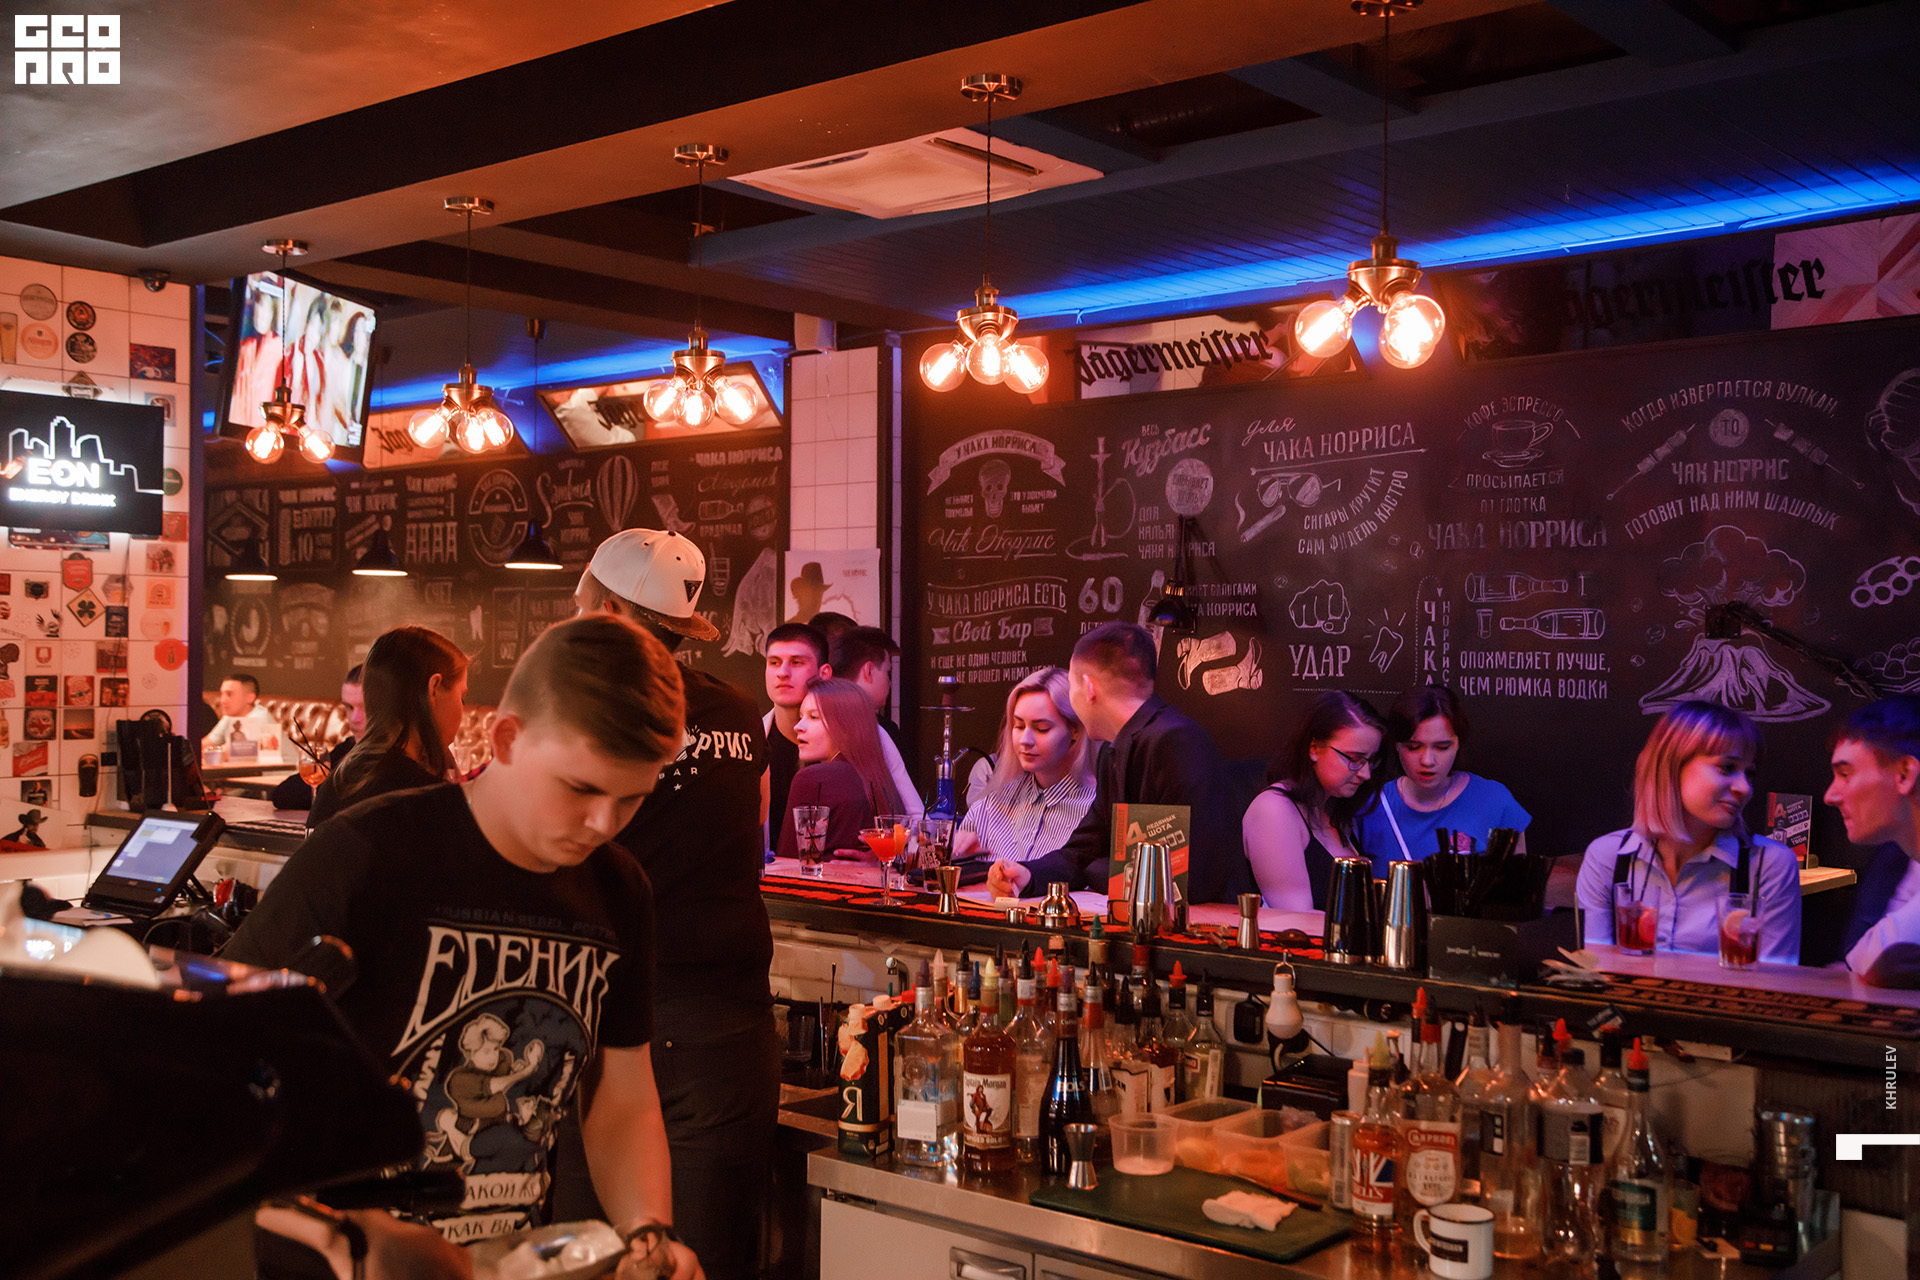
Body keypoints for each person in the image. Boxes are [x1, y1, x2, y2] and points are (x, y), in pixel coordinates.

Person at [225, 614, 703, 1279]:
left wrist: (648, 1232)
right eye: (581, 788)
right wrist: (346, 1235)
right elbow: (201, 1075)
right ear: (505, 738)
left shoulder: (619, 890)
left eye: (631, 800)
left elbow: (620, 1093)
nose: (603, 823)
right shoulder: (367, 854)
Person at [575, 529, 775, 1280]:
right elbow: (754, 836)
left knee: (595, 1258)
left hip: (617, 1013)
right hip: (729, 1022)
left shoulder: (594, 710)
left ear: (608, 611)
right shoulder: (740, 711)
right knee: (705, 1257)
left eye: (581, 601)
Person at [987, 622, 1253, 905]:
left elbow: (1189, 876)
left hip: (1209, 925)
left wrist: (1100, 871)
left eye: (1073, 687)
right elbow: (1083, 853)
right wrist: (1028, 875)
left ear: (1088, 688)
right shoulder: (1112, 753)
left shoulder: (1176, 741)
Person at [1576, 700, 1801, 964]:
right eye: (1727, 768)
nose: (1745, 788)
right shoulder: (1607, 857)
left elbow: (1776, 981)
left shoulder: (1769, 865)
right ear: (1671, 766)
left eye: (1749, 774)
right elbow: (1594, 970)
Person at [762, 626, 918, 850]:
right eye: (774, 662)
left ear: (824, 673)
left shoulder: (870, 734)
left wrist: (882, 853)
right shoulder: (752, 737)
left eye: (797, 662)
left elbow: (915, 820)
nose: (783, 673)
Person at [1356, 685, 1530, 876]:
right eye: (1413, 747)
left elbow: (1518, 886)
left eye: (1442, 747)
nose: (1427, 761)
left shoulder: (1495, 802)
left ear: (1458, 744)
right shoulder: (1371, 807)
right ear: (1397, 745)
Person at [307, 630, 466, 828]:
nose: (462, 708)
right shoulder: (427, 797)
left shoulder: (337, 782)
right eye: (461, 696)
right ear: (434, 688)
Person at [1242, 692, 1387, 910]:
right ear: (1314, 748)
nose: (1365, 773)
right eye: (1354, 759)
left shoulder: (1333, 809)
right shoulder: (1274, 809)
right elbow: (1294, 917)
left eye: (1370, 760)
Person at [953, 667, 1096, 865]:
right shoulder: (990, 806)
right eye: (1019, 726)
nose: (1025, 740)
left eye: (1042, 729)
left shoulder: (1093, 810)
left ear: (1075, 731)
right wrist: (961, 859)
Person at [1829, 696, 1920, 986]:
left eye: (1845, 774)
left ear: (1904, 774)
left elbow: (1873, 963)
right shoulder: (1907, 862)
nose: (1830, 795)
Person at [776, 677, 904, 859]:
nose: (798, 727)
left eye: (813, 717)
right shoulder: (879, 778)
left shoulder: (811, 779)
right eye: (801, 717)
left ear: (846, 728)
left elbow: (787, 863)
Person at [270, 665, 364, 811]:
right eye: (349, 707)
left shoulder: (398, 757)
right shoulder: (350, 747)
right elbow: (283, 795)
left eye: (365, 707)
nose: (354, 718)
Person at [830, 625, 908, 755]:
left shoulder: (818, 721)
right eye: (887, 672)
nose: (889, 682)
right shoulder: (882, 730)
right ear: (869, 671)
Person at [205, 672, 282, 754]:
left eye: (229, 694)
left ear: (250, 698)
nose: (223, 700)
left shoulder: (259, 718)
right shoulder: (229, 716)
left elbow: (232, 753)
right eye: (222, 694)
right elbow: (204, 745)